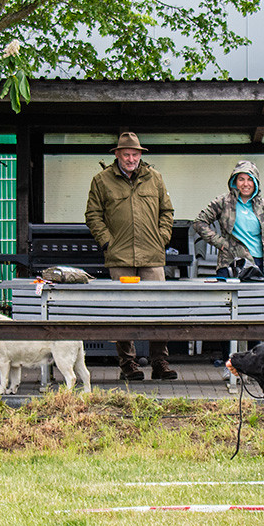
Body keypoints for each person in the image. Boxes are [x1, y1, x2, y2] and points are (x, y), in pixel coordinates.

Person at [85, 132, 177, 382]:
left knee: (160, 309)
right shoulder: (101, 180)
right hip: (120, 257)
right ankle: (128, 364)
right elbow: (93, 215)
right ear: (117, 154)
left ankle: (160, 362)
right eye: (126, 154)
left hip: (152, 256)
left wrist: (162, 237)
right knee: (122, 310)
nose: (131, 158)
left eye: (135, 154)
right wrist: (107, 242)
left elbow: (167, 211)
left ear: (140, 155)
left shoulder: (154, 178)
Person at [193, 159, 264, 278]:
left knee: (254, 297)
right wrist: (220, 242)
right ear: (234, 181)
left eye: (250, 179)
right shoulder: (223, 201)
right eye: (241, 179)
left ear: (256, 182)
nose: (246, 184)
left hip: (258, 264)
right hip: (230, 264)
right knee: (229, 297)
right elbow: (199, 222)